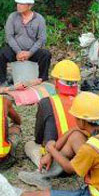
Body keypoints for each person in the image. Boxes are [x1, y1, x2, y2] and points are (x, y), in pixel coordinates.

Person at [18, 59, 81, 188]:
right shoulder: (85, 101)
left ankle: (44, 169)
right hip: (82, 160)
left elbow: (39, 137)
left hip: (56, 158)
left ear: (56, 82)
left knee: (30, 145)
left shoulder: (47, 102)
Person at [0, 0, 51, 85]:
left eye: (22, 4)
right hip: (16, 51)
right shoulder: (12, 17)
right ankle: (3, 81)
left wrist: (30, 53)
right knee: (0, 54)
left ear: (30, 6)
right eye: (18, 3)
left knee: (46, 55)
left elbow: (41, 39)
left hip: (31, 51)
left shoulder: (39, 19)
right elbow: (9, 36)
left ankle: (42, 80)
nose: (18, 5)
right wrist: (18, 51)